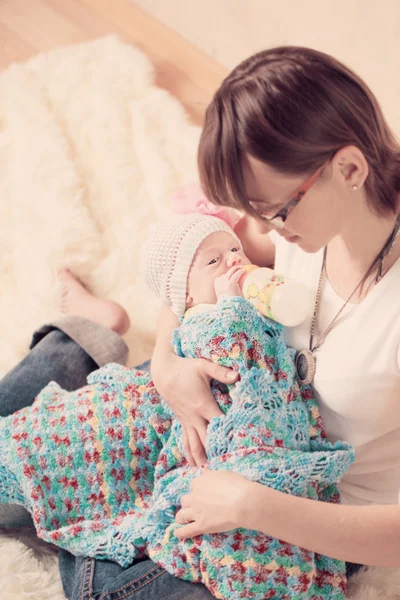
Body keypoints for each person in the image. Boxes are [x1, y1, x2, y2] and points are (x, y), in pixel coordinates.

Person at [1, 45, 399, 599]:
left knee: (112, 578)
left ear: (350, 168)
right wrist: (168, 361)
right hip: (209, 402)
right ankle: (87, 333)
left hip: (308, 512)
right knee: (22, 453)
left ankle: (79, 345)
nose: (264, 229)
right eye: (253, 212)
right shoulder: (292, 225)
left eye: (276, 210)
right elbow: (201, 262)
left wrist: (250, 504)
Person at [0, 214, 354, 600]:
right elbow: (188, 281)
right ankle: (82, 333)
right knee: (34, 449)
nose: (235, 260)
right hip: (152, 402)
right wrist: (166, 361)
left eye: (235, 251)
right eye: (216, 259)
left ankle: (83, 335)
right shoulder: (280, 234)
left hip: (195, 445)